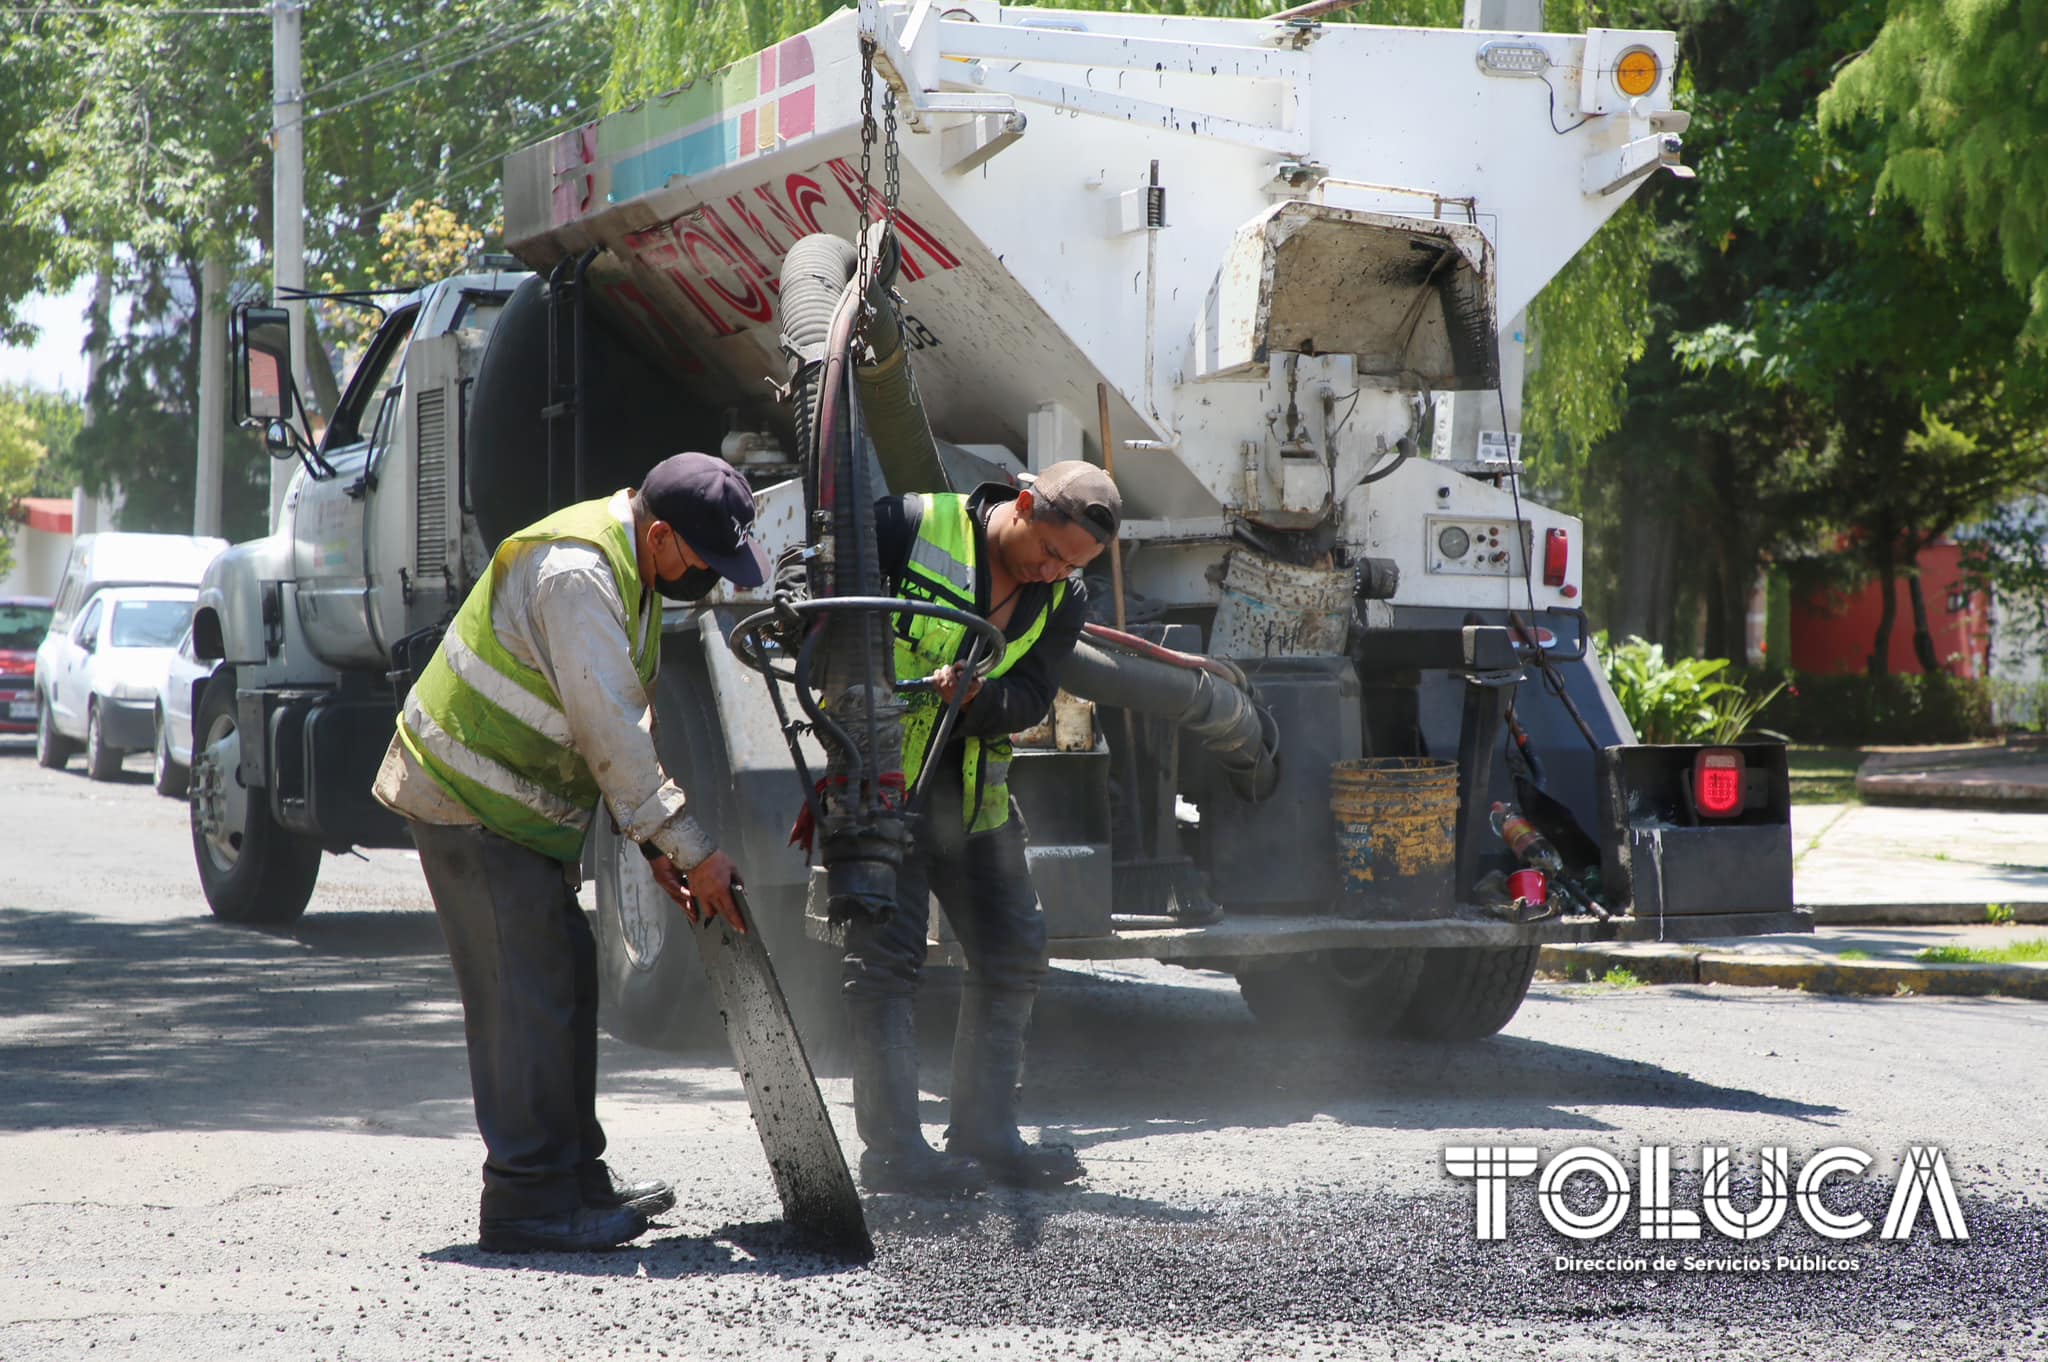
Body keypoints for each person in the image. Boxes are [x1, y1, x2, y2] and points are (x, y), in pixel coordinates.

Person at [372, 451, 770, 1254]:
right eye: (700, 557)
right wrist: (693, 851)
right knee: (523, 1000)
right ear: (660, 534)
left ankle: (572, 1178)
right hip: (467, 797)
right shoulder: (577, 576)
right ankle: (525, 1202)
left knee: (565, 979)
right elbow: (611, 734)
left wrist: (653, 848)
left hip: (512, 809)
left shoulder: (636, 570)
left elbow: (618, 724)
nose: (706, 575)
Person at [846, 459, 1122, 1195]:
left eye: (1072, 566)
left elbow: (1032, 695)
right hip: (883, 784)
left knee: (1013, 949)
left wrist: (979, 699)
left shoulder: (1060, 596)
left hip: (971, 797)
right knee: (886, 963)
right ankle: (894, 1153)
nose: (1052, 572)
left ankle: (986, 1135)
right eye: (1052, 552)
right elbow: (830, 629)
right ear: (1026, 504)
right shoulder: (904, 527)